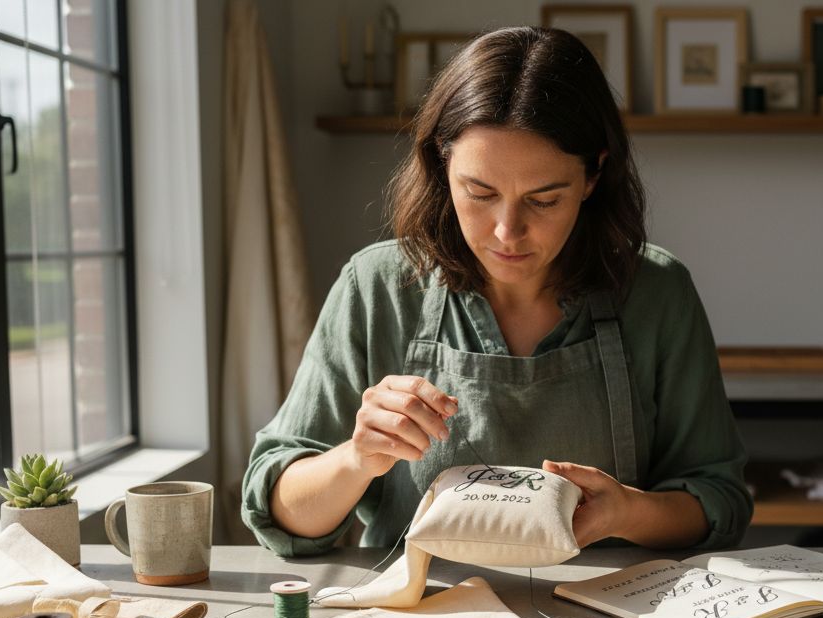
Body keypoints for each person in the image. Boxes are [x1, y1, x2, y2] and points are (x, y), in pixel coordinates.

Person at [241, 26, 751, 557]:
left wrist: (629, 512)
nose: (508, 231)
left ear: (594, 175)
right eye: (480, 193)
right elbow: (278, 511)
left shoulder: (657, 293)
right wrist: (356, 459)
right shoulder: (378, 288)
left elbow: (720, 501)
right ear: (443, 163)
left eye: (545, 200)